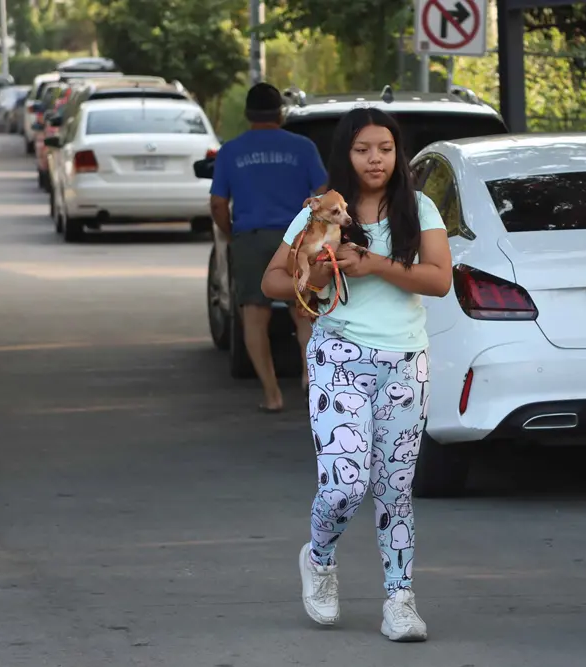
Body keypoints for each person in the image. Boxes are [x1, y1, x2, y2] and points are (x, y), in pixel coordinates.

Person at [260, 107, 452, 641]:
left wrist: (374, 265)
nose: (375, 159)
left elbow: (439, 280)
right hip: (338, 356)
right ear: (345, 153)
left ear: (398, 153)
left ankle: (401, 600)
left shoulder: (420, 209)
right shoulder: (320, 212)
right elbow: (274, 281)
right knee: (346, 484)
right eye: (363, 149)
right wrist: (317, 270)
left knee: (394, 488)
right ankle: (319, 559)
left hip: (405, 361)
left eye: (385, 149)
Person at [209, 82, 328, 412]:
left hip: (251, 235)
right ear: (280, 114)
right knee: (302, 310)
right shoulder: (303, 147)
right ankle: (309, 377)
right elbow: (322, 191)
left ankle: (273, 395)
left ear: (248, 115)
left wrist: (232, 234)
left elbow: (218, 203)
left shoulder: (231, 151)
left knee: (254, 315)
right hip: (295, 236)